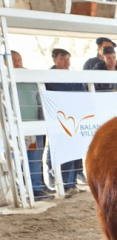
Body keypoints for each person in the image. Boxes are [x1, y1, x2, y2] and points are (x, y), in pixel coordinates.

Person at [10, 50, 52, 200]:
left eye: (19, 60)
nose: (18, 63)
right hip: (13, 128)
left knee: (35, 158)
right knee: (16, 159)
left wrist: (42, 122)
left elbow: (40, 100)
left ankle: (36, 189)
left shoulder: (30, 78)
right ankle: (20, 190)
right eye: (13, 61)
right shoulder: (4, 81)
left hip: (34, 125)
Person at [45, 48, 85, 198]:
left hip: (74, 118)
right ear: (55, 60)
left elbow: (82, 94)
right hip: (58, 119)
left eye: (68, 59)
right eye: (62, 59)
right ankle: (63, 184)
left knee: (74, 151)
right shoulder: (48, 77)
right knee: (60, 151)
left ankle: (71, 183)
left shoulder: (74, 76)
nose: (66, 62)